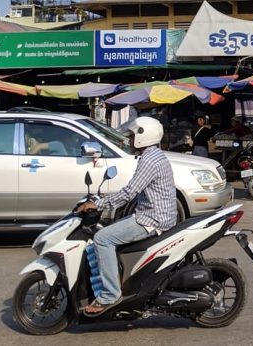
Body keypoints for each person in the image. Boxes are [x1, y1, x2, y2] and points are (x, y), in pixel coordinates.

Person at [75, 116, 178, 317]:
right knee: (108, 228)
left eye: (132, 137)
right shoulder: (153, 155)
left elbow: (129, 191)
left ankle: (110, 295)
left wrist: (97, 204)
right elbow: (137, 192)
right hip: (153, 213)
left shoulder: (149, 160)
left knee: (102, 239)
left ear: (142, 137)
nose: (129, 141)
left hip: (152, 218)